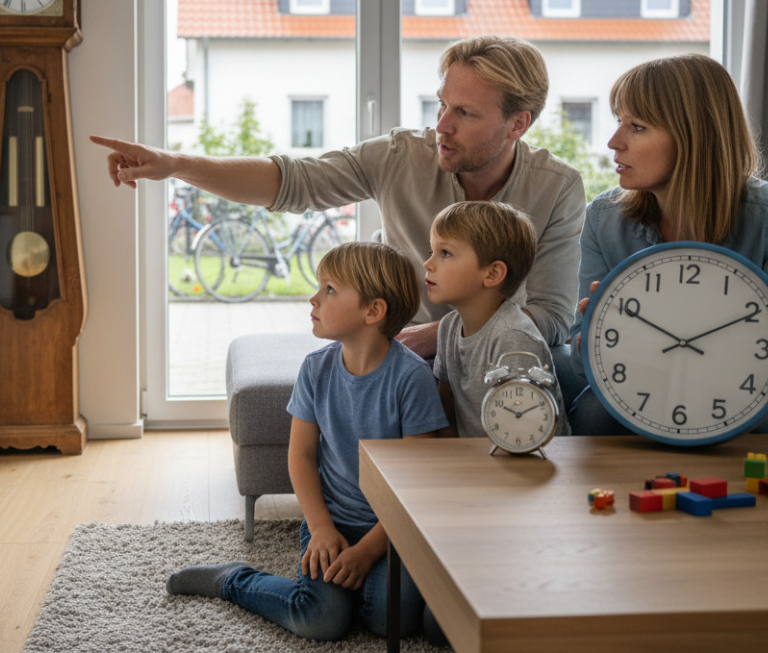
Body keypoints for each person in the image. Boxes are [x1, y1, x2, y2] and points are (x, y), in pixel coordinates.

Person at [91, 35, 586, 358]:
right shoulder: (400, 157)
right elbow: (292, 181)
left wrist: (441, 336)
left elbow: (552, 316)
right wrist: (176, 164)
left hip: (499, 353)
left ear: (518, 124)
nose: (441, 126)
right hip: (396, 353)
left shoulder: (557, 187)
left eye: (465, 113)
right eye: (440, 106)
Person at [165, 241, 449, 642]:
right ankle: (233, 579)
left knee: (393, 623)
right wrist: (320, 529)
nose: (313, 298)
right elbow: (300, 456)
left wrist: (367, 553)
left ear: (373, 311)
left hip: (393, 528)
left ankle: (353, 590)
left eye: (330, 290)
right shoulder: (316, 369)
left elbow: (415, 487)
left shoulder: (412, 379)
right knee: (319, 619)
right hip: (330, 520)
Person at [561, 54, 768, 435]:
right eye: (619, 121)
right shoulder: (604, 218)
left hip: (752, 400)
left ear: (693, 137)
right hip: (648, 393)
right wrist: (592, 339)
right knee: (592, 412)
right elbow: (580, 359)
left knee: (754, 425)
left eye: (636, 126)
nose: (613, 142)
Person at [426, 200, 569, 438]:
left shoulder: (513, 338)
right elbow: (447, 411)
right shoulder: (449, 327)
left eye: (446, 253)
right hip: (474, 460)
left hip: (526, 460)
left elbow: (523, 430)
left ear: (492, 274)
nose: (427, 264)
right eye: (431, 251)